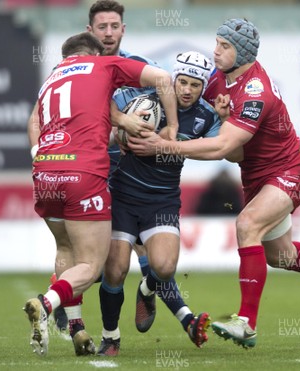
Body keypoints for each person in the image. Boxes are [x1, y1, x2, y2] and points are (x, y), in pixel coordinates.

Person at [128, 18, 300, 349]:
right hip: (256, 178)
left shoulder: (255, 91)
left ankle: (246, 323)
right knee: (281, 256)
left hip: (290, 171)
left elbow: (222, 147)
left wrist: (164, 145)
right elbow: (234, 155)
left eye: (224, 46)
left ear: (243, 53)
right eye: (217, 43)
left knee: (246, 225)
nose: (216, 51)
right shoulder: (216, 78)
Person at [23, 31, 179, 357]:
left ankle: (78, 330)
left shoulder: (51, 79)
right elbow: (163, 78)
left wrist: (40, 151)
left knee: (65, 247)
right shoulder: (104, 65)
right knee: (92, 265)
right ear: (94, 53)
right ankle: (46, 303)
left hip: (45, 173)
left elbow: (35, 121)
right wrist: (172, 130)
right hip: (83, 174)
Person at [97, 51, 219, 356]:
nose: (188, 90)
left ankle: (147, 290)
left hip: (162, 200)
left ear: (203, 87)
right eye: (183, 82)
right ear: (173, 79)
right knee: (115, 270)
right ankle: (110, 336)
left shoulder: (207, 116)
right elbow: (103, 114)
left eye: (195, 85)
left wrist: (169, 145)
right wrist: (121, 132)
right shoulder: (143, 100)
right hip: (123, 196)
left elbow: (224, 150)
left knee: (164, 267)